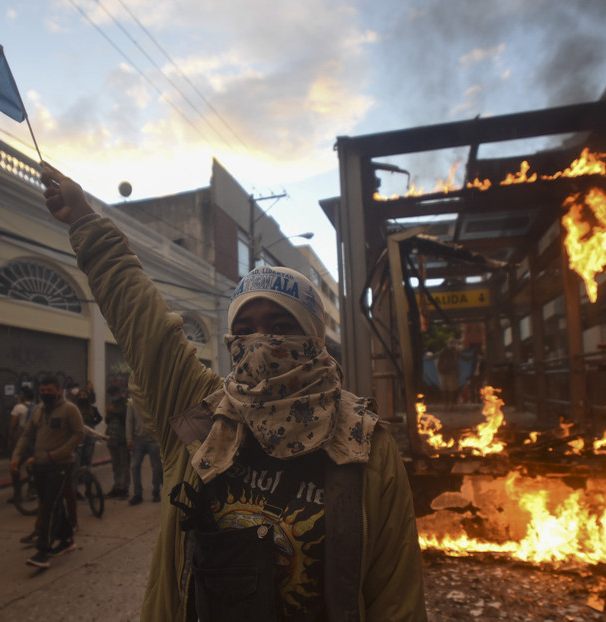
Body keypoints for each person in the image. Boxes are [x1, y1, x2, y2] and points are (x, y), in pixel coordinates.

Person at [40, 162, 427, 621]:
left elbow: (396, 598)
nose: (261, 342)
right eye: (244, 330)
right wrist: (86, 222)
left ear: (315, 340)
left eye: (281, 327)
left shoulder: (365, 445)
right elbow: (145, 325)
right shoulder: (201, 415)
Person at [11, 376, 83, 569]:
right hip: (40, 465)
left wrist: (57, 454)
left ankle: (43, 551)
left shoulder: (69, 409)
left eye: (49, 391)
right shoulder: (38, 410)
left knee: (48, 506)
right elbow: (27, 434)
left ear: (59, 390)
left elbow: (79, 434)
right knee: (52, 504)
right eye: (42, 391)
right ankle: (67, 539)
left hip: (61, 465)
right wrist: (16, 456)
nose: (45, 394)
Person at [126, 388, 162, 505]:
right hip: (139, 440)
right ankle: (137, 493)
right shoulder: (133, 403)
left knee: (156, 467)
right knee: (135, 466)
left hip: (153, 440)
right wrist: (129, 438)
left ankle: (156, 491)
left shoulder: (155, 402)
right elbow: (129, 421)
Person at [6, 387, 37, 504]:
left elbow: (13, 425)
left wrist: (10, 440)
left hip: (20, 435)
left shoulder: (18, 407)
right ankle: (32, 489)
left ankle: (17, 493)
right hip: (33, 437)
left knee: (15, 464)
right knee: (31, 464)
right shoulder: (37, 407)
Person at [103, 385, 130, 499]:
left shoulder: (126, 403)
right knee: (115, 465)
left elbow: (127, 417)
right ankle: (117, 486)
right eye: (111, 394)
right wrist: (109, 413)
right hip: (112, 437)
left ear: (119, 392)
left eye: (114, 393)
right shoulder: (111, 404)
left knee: (124, 464)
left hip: (122, 438)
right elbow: (107, 420)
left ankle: (124, 488)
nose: (113, 396)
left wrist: (115, 411)